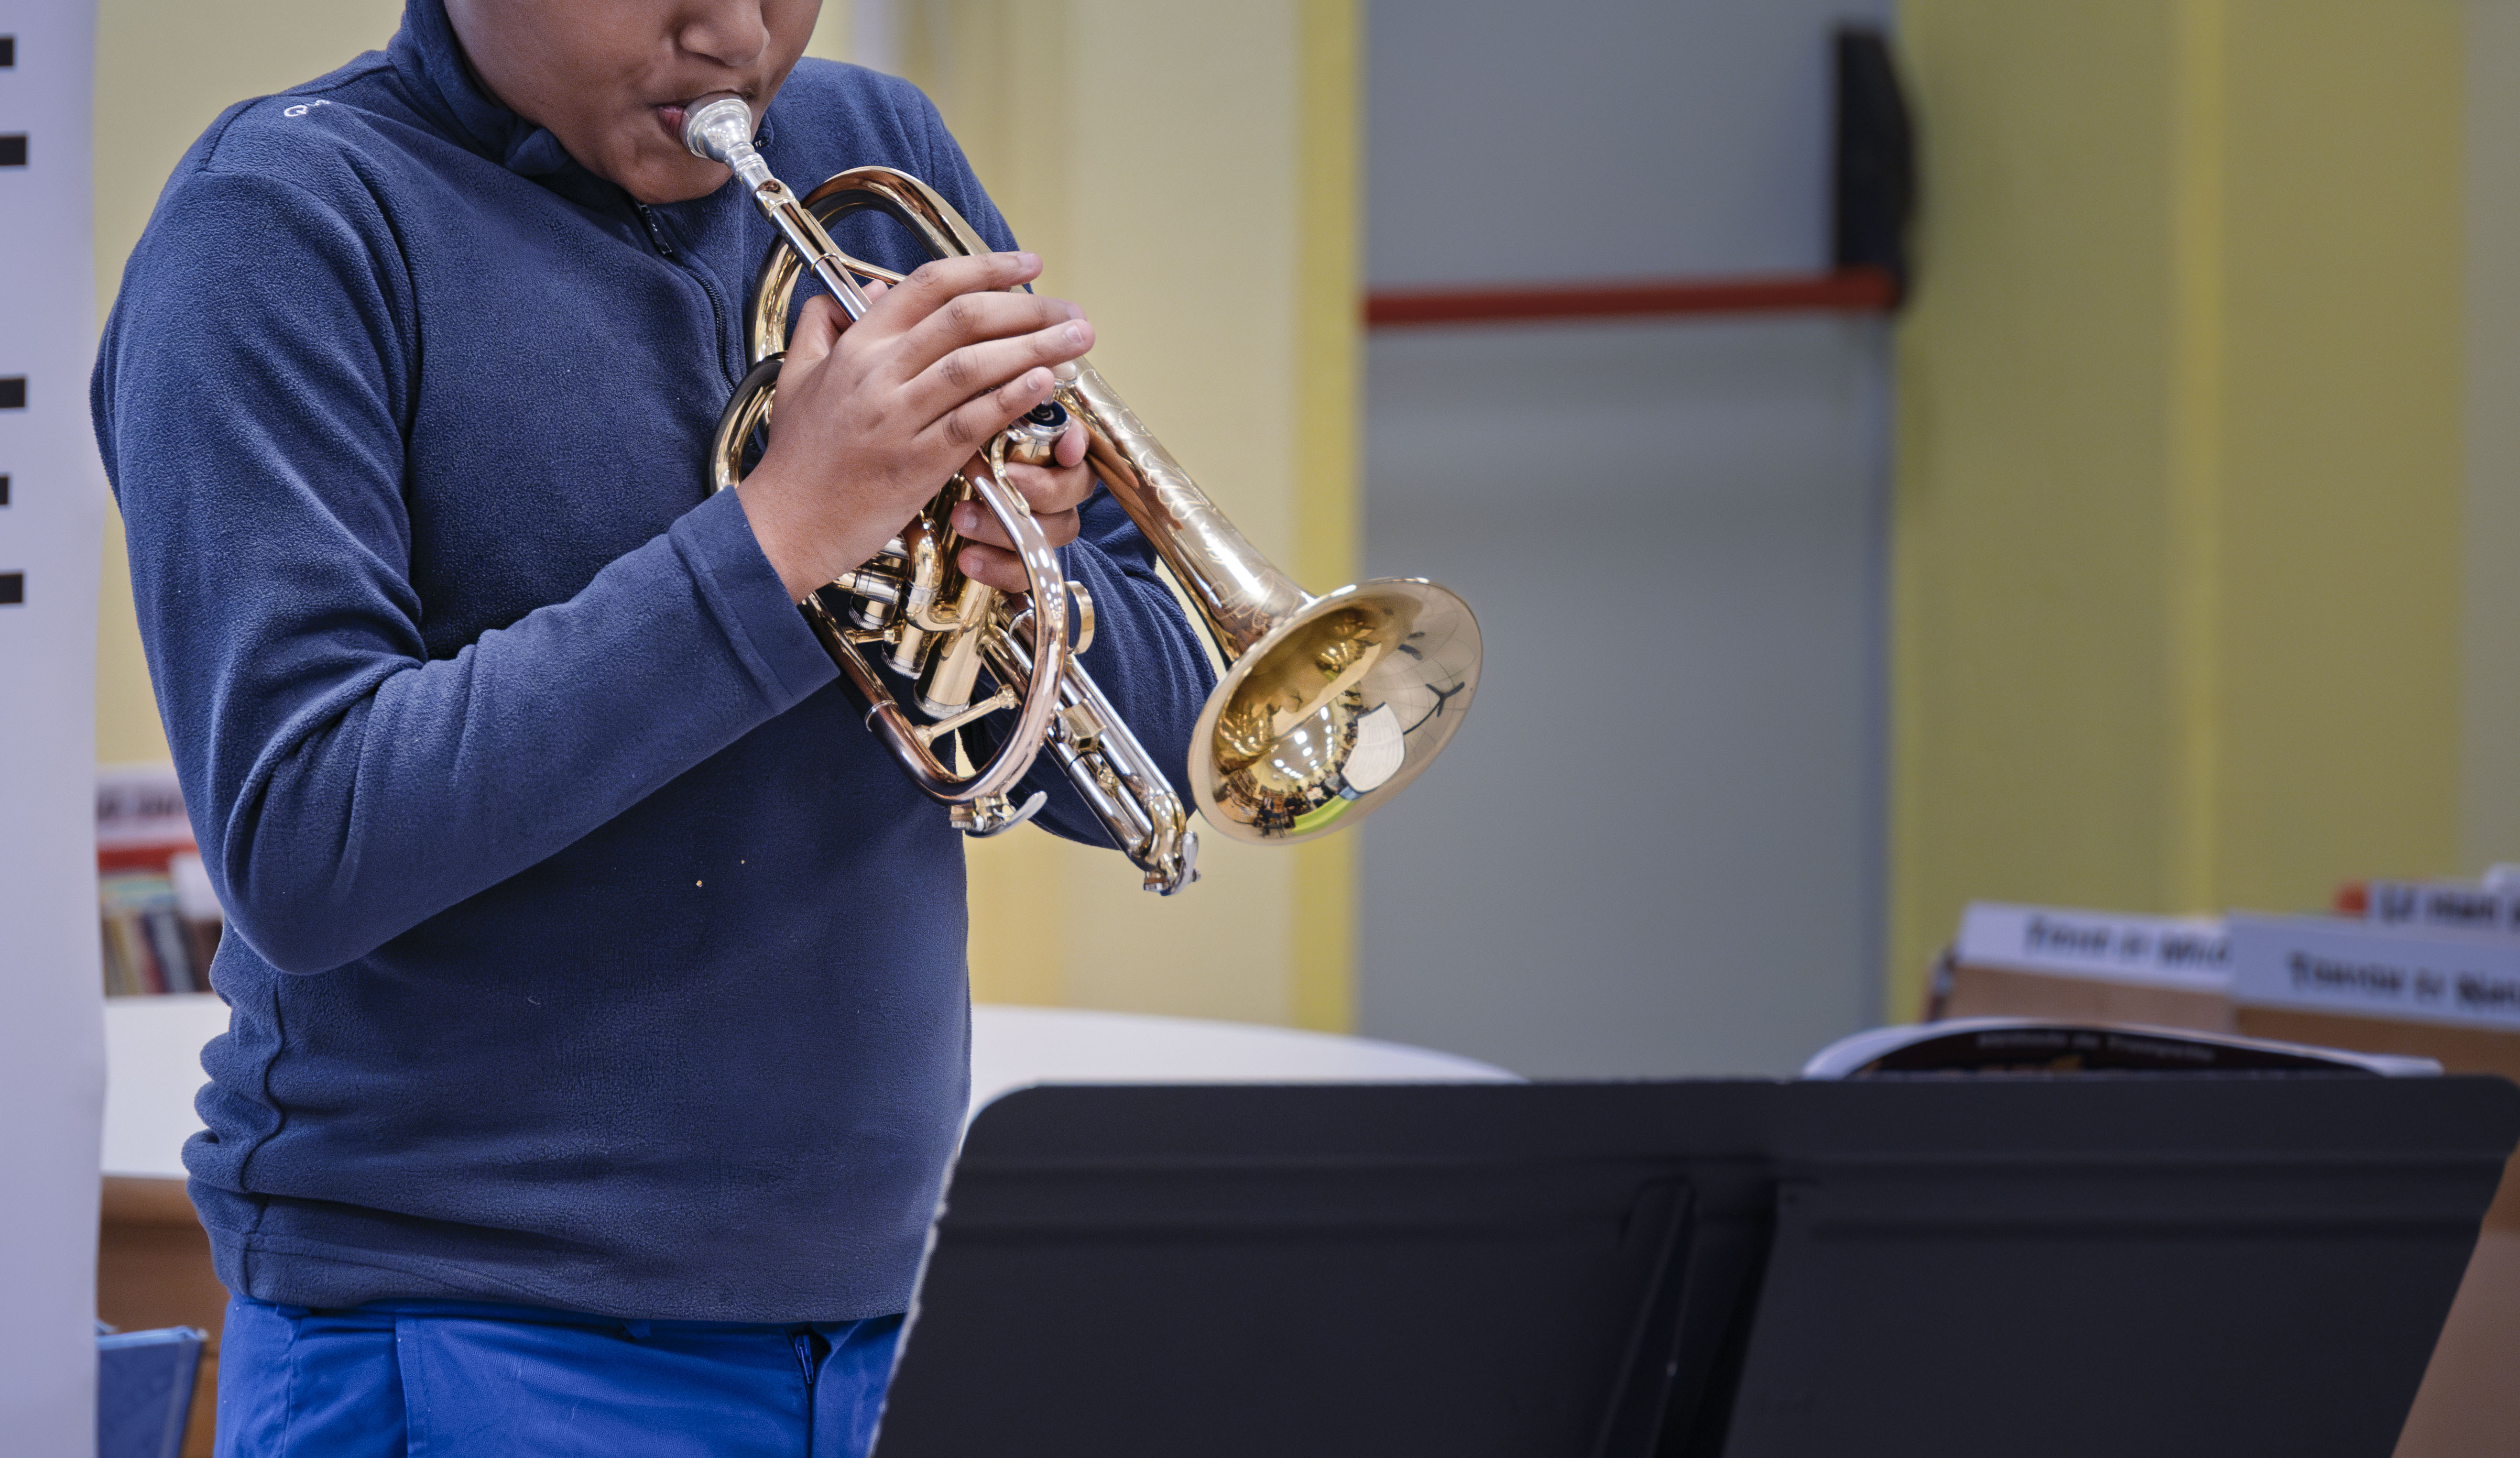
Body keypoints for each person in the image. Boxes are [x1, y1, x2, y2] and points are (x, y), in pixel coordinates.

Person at [90, 1, 1216, 1453]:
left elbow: (1169, 733)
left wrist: (1017, 572)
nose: (734, 31)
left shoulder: (869, 154)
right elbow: (307, 840)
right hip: (463, 1324)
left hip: (886, 1313)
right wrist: (784, 536)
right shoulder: (279, 222)